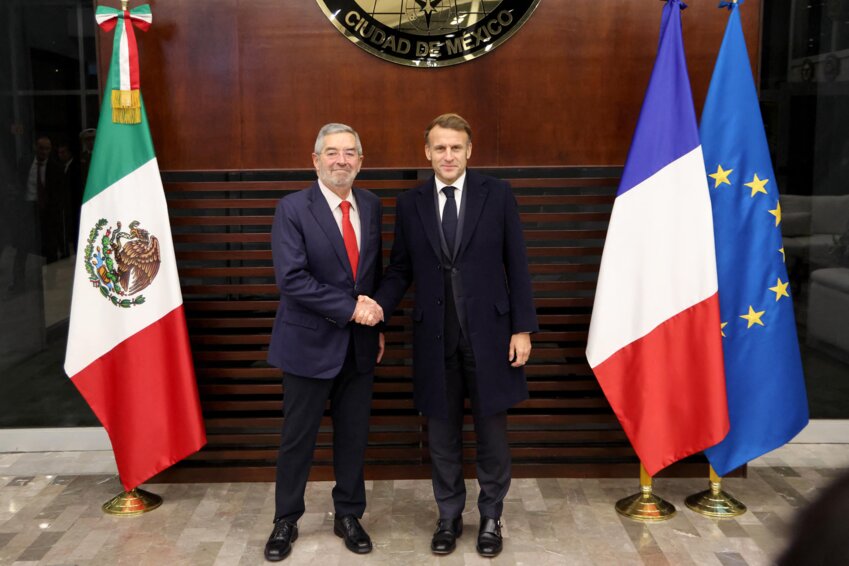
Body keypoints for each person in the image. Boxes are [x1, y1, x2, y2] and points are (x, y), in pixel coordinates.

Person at [371, 113, 538, 557]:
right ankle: (448, 516)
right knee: (442, 435)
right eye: (440, 148)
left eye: (456, 147)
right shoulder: (410, 204)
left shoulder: (497, 194)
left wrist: (522, 328)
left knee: (492, 434)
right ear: (427, 152)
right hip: (434, 338)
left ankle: (490, 518)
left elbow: (516, 263)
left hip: (492, 336)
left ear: (470, 150)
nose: (448, 155)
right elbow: (401, 268)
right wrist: (377, 308)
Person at [265, 123, 385, 562]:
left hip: (358, 345)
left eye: (350, 152)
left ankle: (349, 514)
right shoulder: (293, 208)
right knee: (298, 438)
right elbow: (292, 279)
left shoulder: (370, 205)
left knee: (353, 437)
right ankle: (286, 519)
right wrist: (352, 309)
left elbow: (368, 278)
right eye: (332, 152)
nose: (341, 160)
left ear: (360, 161)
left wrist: (375, 323)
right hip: (307, 346)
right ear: (315, 160)